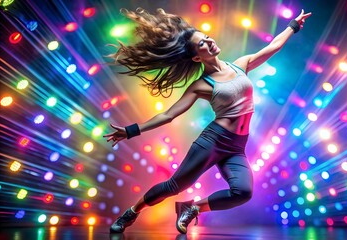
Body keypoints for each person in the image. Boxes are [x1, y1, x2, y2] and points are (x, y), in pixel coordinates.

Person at [104, 7, 311, 234]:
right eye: (202, 44)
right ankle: (132, 212)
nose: (209, 41)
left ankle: (193, 207)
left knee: (242, 192)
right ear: (196, 56)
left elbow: (274, 46)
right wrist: (131, 130)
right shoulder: (202, 84)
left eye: (206, 37)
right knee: (174, 185)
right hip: (213, 141)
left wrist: (293, 26)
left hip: (237, 146)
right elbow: (168, 114)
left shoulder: (240, 65)